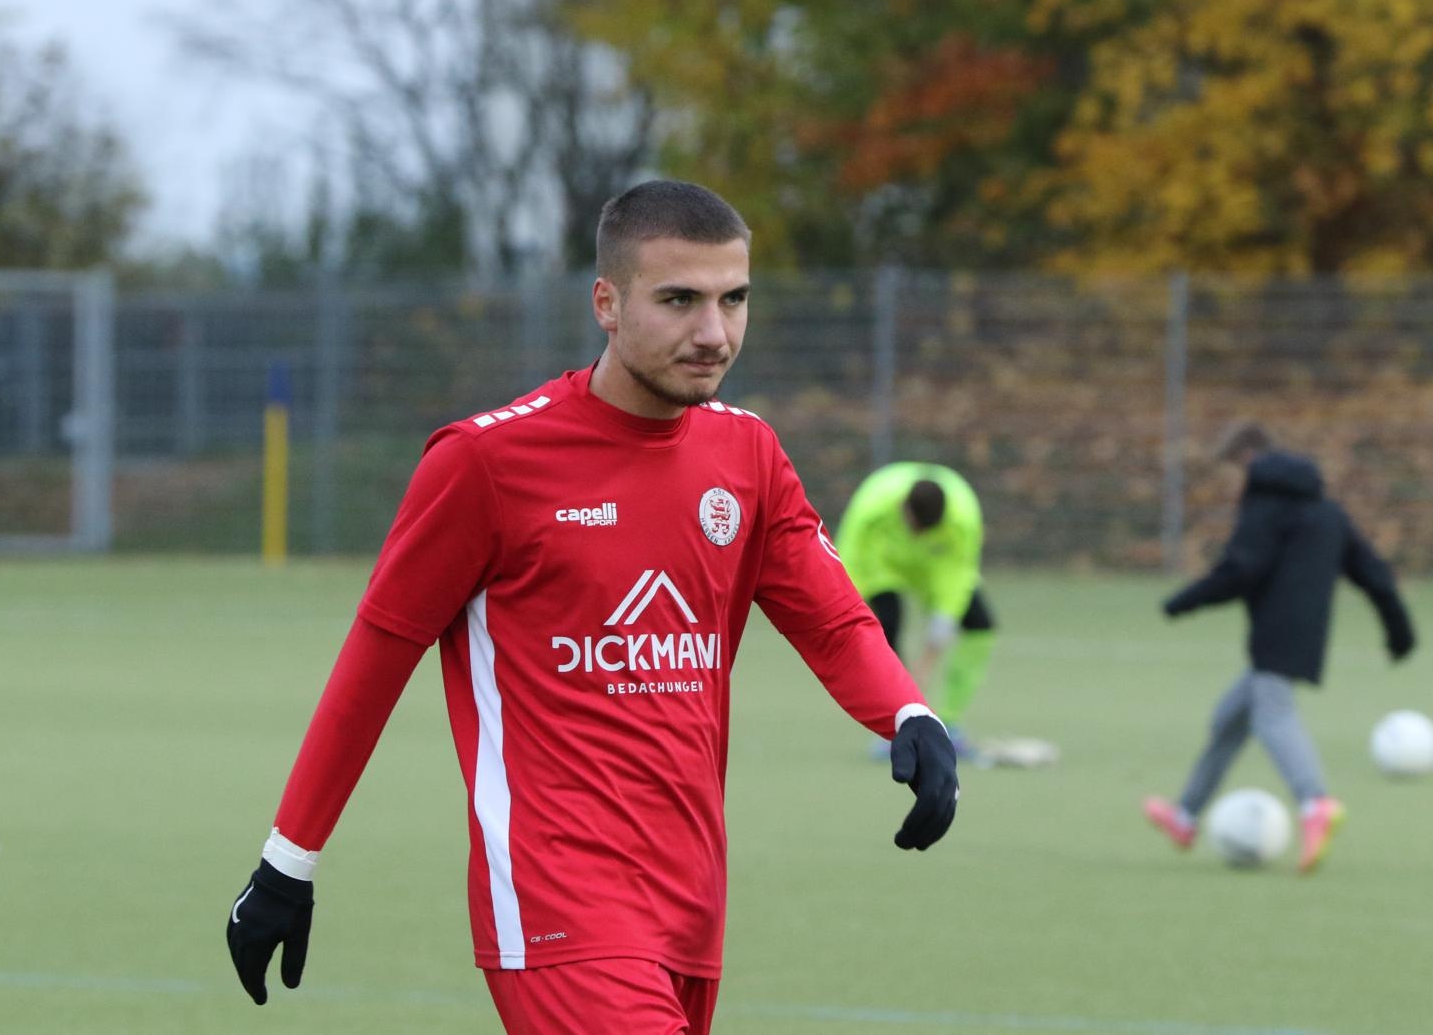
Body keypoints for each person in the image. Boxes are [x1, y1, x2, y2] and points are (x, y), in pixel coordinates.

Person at [224, 179, 959, 1034]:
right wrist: (289, 860)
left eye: (733, 299)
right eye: (679, 300)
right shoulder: (486, 462)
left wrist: (907, 712)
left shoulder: (748, 453)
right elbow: (374, 662)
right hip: (555, 902)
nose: (714, 333)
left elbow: (832, 620)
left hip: (691, 902)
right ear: (606, 303)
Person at [1143, 420, 1416, 873]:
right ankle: (1185, 817)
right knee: (1229, 719)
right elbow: (1375, 575)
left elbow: (1240, 569)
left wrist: (1184, 601)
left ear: (1248, 458)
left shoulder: (1266, 505)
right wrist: (1399, 632)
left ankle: (1315, 803)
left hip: (1275, 631)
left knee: (1273, 716)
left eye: (1237, 469)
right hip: (1306, 630)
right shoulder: (1328, 511)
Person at [834, 462, 996, 762]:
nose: (918, 534)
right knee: (886, 626)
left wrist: (942, 625)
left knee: (980, 625)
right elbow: (849, 558)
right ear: (903, 509)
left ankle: (948, 724)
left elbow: (958, 575)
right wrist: (851, 603)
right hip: (883, 565)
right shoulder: (871, 507)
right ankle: (896, 728)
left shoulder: (963, 517)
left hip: (934, 567)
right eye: (915, 527)